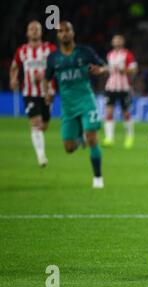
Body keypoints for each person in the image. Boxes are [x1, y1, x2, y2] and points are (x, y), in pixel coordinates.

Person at [45, 21, 107, 188]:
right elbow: (46, 78)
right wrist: (48, 93)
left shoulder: (85, 53)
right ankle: (79, 138)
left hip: (86, 101)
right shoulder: (53, 58)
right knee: (69, 148)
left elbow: (103, 67)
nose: (64, 33)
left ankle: (98, 178)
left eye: (67, 30)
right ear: (57, 35)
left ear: (73, 33)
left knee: (92, 138)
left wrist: (99, 71)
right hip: (68, 106)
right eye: (60, 31)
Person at [9, 21, 56, 167]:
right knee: (35, 124)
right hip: (29, 92)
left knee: (44, 125)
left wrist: (45, 75)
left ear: (41, 32)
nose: (34, 31)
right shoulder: (22, 50)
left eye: (37, 29)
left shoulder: (50, 49)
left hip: (47, 92)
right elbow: (14, 66)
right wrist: (13, 78)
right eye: (31, 29)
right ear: (27, 33)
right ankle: (41, 157)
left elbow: (58, 66)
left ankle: (40, 147)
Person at [103, 34, 138, 148]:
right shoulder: (110, 55)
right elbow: (108, 70)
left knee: (126, 113)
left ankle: (129, 137)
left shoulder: (127, 54)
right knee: (109, 111)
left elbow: (134, 69)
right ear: (112, 42)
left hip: (124, 87)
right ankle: (109, 138)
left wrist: (125, 70)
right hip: (111, 87)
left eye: (119, 40)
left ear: (122, 42)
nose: (117, 41)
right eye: (115, 40)